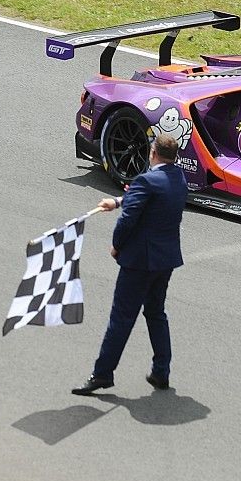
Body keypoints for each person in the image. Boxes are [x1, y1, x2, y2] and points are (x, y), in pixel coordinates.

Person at [73, 133, 188, 395]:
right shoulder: (178, 178)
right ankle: (161, 371)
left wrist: (117, 246)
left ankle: (103, 374)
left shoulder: (145, 181)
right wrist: (117, 201)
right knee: (156, 314)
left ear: (153, 153)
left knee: (121, 318)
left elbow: (128, 221)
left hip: (139, 261)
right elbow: (152, 198)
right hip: (165, 260)